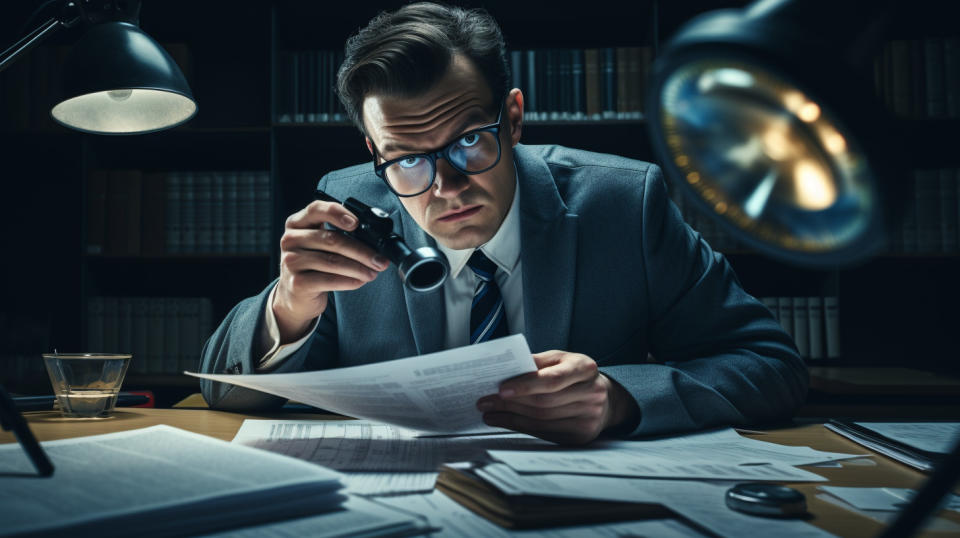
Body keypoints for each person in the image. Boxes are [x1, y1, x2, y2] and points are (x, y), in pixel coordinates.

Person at [199, 2, 807, 444]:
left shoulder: (624, 205)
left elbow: (769, 365)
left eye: (467, 140)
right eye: (407, 159)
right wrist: (289, 307)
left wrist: (620, 400)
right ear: (373, 151)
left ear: (513, 117)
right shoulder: (349, 208)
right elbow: (224, 392)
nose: (446, 187)